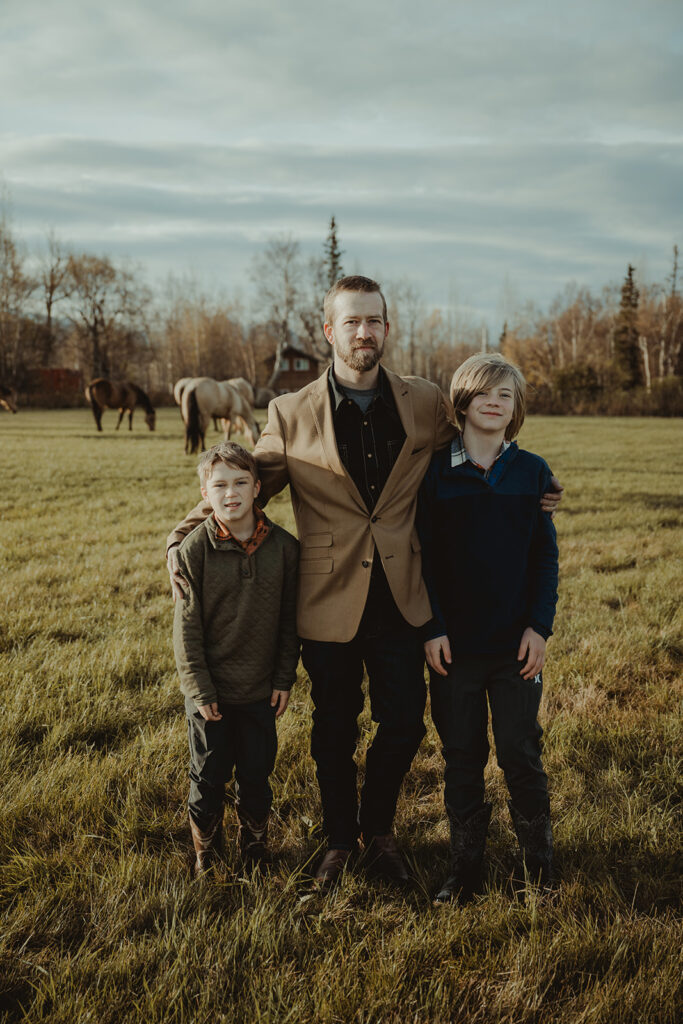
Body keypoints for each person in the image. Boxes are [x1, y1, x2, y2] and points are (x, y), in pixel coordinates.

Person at [167, 276, 563, 887]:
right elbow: (247, 482)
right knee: (333, 728)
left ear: (386, 328)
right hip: (327, 599)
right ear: (329, 331)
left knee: (403, 726)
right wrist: (183, 534)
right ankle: (338, 842)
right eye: (351, 322)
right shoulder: (290, 412)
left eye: (374, 320)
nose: (364, 332)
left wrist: (538, 487)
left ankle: (379, 832)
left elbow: (485, 442)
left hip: (407, 598)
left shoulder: (425, 400)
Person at [418, 352, 559, 904]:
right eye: (484, 394)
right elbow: (421, 558)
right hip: (452, 647)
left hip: (515, 647)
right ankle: (465, 868)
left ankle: (539, 869)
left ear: (516, 407)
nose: (495, 403)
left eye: (506, 396)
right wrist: (431, 626)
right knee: (461, 754)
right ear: (462, 401)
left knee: (521, 752)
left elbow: (544, 561)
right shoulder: (435, 471)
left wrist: (539, 628)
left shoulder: (532, 472)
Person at [173, 442, 299, 875]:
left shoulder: (284, 548)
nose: (231, 493)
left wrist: (284, 677)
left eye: (241, 482)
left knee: (257, 776)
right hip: (211, 695)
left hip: (261, 691)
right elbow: (185, 629)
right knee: (208, 778)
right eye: (219, 485)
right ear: (205, 494)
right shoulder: (194, 551)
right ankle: (206, 852)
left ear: (257, 488)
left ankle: (255, 847)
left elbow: (288, 622)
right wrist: (199, 688)